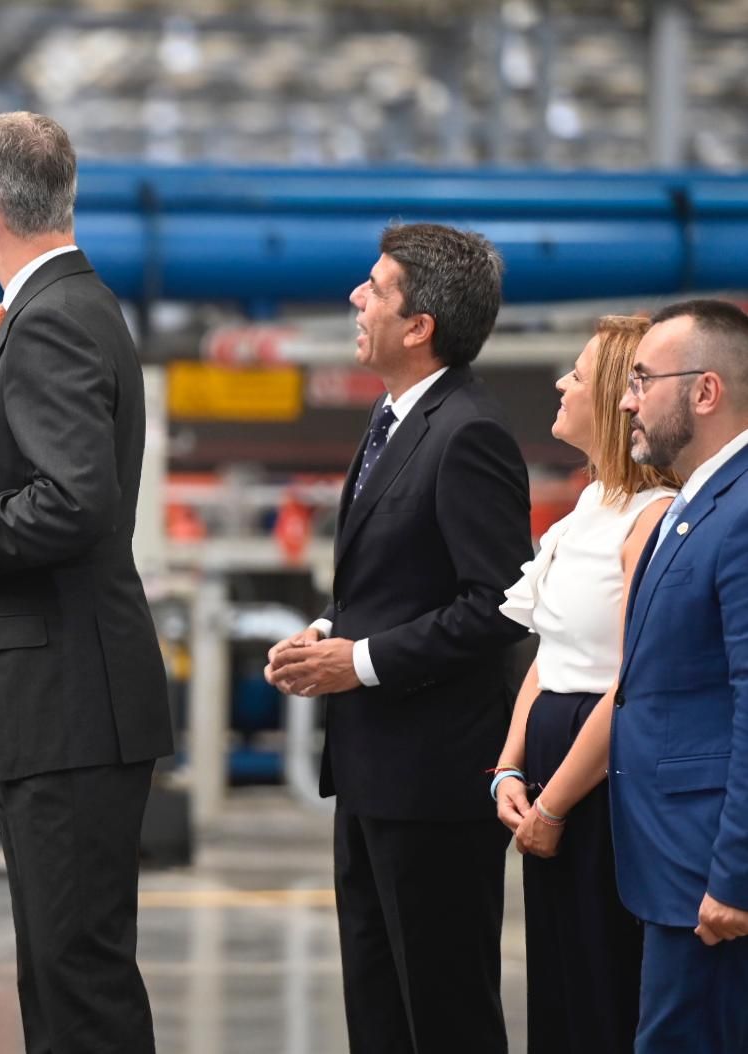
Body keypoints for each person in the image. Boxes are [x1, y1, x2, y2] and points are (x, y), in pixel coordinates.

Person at [0, 112, 172, 1053]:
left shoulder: (49, 318)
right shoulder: (63, 306)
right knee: (61, 970)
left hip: (68, 708)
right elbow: (58, 438)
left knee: (75, 979)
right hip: (68, 707)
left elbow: (74, 501)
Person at [264, 223, 533, 1054]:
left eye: (374, 288)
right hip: (374, 771)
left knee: (441, 1013)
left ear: (418, 326)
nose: (355, 296)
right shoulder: (395, 418)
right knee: (379, 1012)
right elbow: (399, 582)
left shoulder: (467, 432)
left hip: (434, 783)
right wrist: (326, 636)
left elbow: (495, 605)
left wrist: (361, 662)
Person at [492, 315, 675, 1054]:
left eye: (576, 373)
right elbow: (550, 654)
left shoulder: (648, 517)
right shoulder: (581, 511)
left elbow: (627, 677)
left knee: (603, 979)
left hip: (598, 769)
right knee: (558, 982)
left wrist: (555, 801)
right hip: (549, 757)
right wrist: (508, 762)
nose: (561, 383)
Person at [608, 298, 748, 1052]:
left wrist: (735, 873)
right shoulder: (687, 509)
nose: (627, 400)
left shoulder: (740, 510)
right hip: (672, 860)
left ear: (704, 392)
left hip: (710, 871)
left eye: (641, 380)